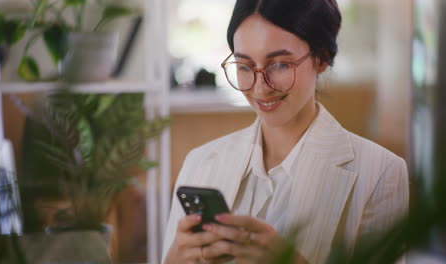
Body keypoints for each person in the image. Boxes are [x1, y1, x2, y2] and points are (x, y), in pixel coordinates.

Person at [162, 0, 409, 263]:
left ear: (322, 58)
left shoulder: (381, 172)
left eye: (279, 64)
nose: (260, 89)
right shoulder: (201, 162)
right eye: (245, 66)